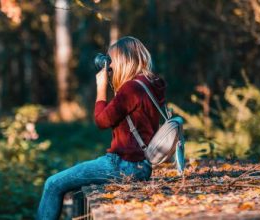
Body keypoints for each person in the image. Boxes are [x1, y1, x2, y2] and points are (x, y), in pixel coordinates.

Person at [37, 36, 167, 220]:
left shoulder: (131, 89)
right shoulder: (150, 84)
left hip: (123, 165)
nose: (110, 67)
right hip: (142, 165)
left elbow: (101, 121)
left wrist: (101, 88)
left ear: (123, 60)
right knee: (70, 188)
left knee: (53, 184)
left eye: (111, 60)